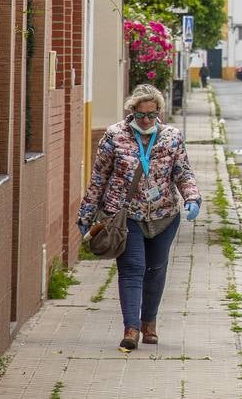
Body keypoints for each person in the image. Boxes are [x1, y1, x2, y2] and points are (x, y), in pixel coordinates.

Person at [77, 84, 202, 351]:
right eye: (140, 114)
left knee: (155, 270)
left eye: (151, 114)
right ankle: (131, 328)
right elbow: (99, 177)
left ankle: (149, 323)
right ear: (131, 112)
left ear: (159, 112)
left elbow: (183, 173)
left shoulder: (171, 137)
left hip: (164, 216)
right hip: (125, 216)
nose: (146, 120)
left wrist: (192, 198)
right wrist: (86, 212)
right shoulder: (114, 136)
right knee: (132, 269)